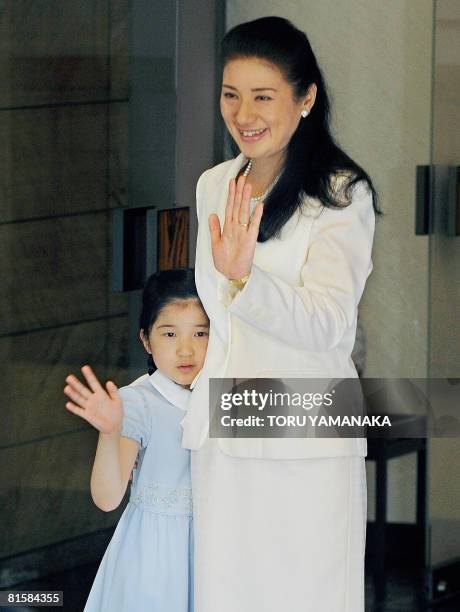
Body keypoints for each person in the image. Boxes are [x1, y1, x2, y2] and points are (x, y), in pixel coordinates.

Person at [180, 17, 379, 612]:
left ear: (306, 98)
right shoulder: (214, 184)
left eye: (263, 96)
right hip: (224, 434)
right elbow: (215, 317)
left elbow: (329, 326)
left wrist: (246, 276)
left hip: (305, 435)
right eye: (230, 94)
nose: (244, 113)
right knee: (227, 596)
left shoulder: (341, 194)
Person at [64, 268, 209, 612]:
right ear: (146, 339)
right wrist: (110, 431)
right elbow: (107, 497)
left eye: (201, 333)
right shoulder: (137, 402)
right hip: (155, 561)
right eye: (170, 333)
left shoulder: (221, 394)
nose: (186, 350)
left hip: (212, 550)